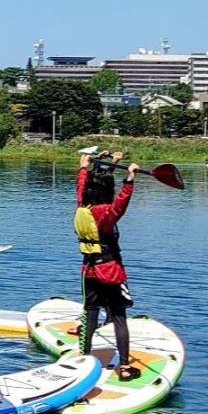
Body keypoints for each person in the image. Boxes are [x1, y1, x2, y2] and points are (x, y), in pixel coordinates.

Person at [74, 149, 141, 381]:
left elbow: (83, 185)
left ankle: (83, 357)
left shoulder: (82, 207)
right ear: (106, 191)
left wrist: (85, 167)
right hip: (110, 271)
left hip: (88, 271)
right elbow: (120, 204)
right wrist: (130, 179)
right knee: (119, 317)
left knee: (90, 314)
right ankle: (123, 366)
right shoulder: (105, 213)